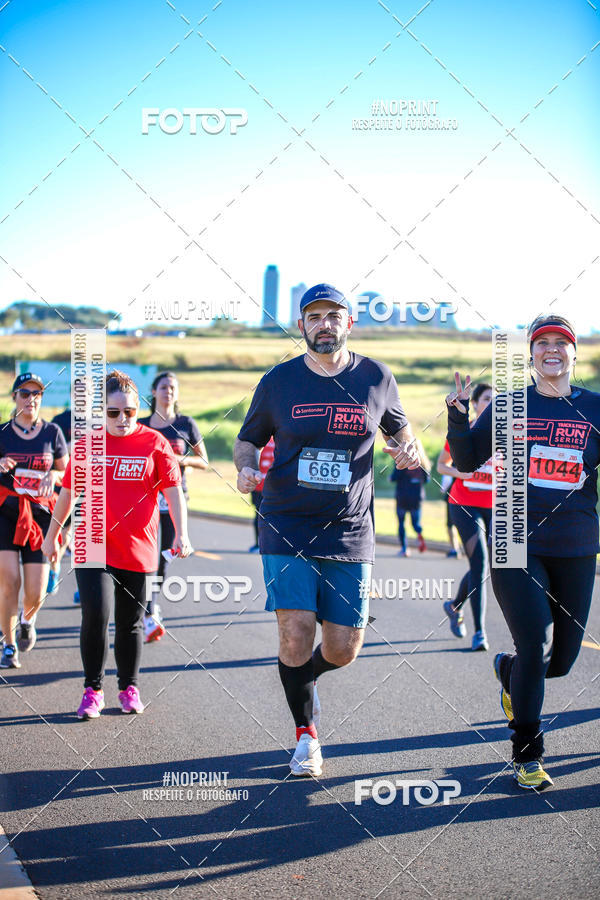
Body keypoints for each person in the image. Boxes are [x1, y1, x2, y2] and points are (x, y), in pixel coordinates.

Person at [235, 283, 423, 777]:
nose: (324, 324)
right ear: (302, 325)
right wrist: (245, 468)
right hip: (286, 523)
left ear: (349, 323)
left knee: (343, 648)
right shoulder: (278, 381)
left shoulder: (377, 378)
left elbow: (403, 435)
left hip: (350, 530)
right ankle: (306, 738)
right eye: (314, 316)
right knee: (294, 632)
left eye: (333, 316)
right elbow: (247, 440)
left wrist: (410, 451)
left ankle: (306, 679)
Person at [446, 315, 599, 791]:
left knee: (561, 661)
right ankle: (527, 753)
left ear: (574, 354)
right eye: (541, 343)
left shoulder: (595, 408)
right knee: (536, 643)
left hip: (576, 543)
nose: (551, 350)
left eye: (561, 343)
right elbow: (468, 460)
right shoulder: (511, 406)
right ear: (531, 355)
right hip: (516, 538)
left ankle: (508, 672)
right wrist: (457, 414)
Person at [42, 370, 192, 718]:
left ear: (138, 408)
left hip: (139, 548)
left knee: (131, 623)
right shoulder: (87, 446)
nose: (122, 419)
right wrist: (52, 535)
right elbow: (67, 494)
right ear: (101, 411)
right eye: (113, 413)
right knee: (95, 615)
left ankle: (128, 687)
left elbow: (174, 493)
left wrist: (182, 533)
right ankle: (92, 690)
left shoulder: (155, 444)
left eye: (129, 412)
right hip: (93, 544)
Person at [0, 374, 69, 668]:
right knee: (9, 582)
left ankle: (27, 620)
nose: (31, 399)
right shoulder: (2, 432)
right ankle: (8, 644)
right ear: (15, 397)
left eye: (37, 394)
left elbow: (66, 472)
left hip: (40, 517)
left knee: (35, 591)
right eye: (25, 393)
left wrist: (53, 475)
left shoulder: (52, 432)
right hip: (5, 514)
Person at [139, 371, 208, 642]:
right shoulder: (142, 425)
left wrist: (182, 460)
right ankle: (147, 609)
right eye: (164, 386)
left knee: (165, 556)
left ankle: (149, 606)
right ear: (154, 392)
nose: (168, 391)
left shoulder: (186, 423)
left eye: (173, 387)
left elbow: (204, 461)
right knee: (143, 556)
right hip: (142, 499)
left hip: (173, 499)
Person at [438, 383, 493, 650]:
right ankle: (480, 633)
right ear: (474, 404)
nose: (492, 403)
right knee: (480, 563)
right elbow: (440, 465)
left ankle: (454, 604)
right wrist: (463, 473)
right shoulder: (465, 430)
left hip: (495, 506)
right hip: (464, 504)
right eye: (486, 399)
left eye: (496, 399)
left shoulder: (506, 433)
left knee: (487, 566)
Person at [49, 404, 73, 595]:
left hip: (93, 487)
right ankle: (54, 568)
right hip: (67, 485)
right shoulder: (60, 421)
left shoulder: (98, 421)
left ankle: (86, 587)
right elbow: (53, 453)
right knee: (64, 535)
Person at [390, 438, 430, 556]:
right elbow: (427, 480)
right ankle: (419, 535)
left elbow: (394, 477)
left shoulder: (402, 461)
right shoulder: (424, 463)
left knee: (401, 523)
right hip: (417, 497)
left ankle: (404, 549)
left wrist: (390, 478)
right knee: (415, 523)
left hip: (403, 496)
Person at [249, 437, 275, 553]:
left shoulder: (258, 441)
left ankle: (260, 544)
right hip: (263, 487)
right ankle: (260, 544)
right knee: (263, 515)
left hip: (265, 486)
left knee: (260, 515)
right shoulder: (281, 440)